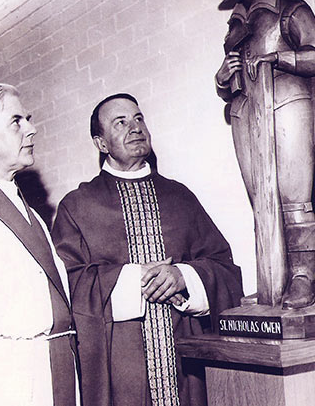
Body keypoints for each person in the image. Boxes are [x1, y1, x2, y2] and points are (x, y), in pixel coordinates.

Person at [51, 93, 243, 406]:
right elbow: (66, 283)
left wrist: (183, 277)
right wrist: (133, 280)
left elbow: (225, 268)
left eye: (139, 118)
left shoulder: (179, 197)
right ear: (101, 144)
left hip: (184, 359)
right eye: (120, 122)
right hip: (119, 365)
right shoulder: (77, 206)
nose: (135, 127)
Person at [208, 0, 315, 309]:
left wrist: (280, 59)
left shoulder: (290, 8)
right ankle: (274, 278)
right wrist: (224, 77)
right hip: (246, 113)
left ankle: (302, 277)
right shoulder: (235, 25)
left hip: (287, 103)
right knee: (261, 203)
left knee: (293, 197)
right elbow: (230, 82)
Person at [0, 83, 79, 406]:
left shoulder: (31, 214)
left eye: (27, 119)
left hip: (52, 367)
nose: (32, 129)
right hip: (4, 380)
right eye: (17, 121)